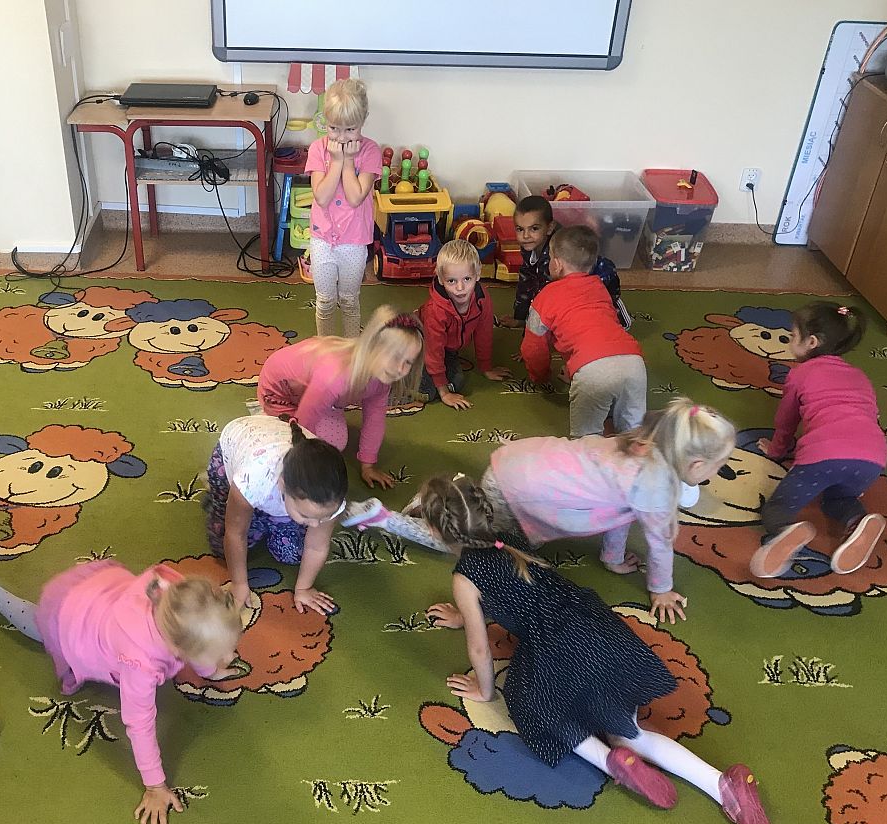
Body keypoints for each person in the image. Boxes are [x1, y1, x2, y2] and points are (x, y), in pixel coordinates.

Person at [414, 475, 770, 824]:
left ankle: (609, 761)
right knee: (629, 731)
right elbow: (509, 587)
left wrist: (484, 690)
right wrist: (465, 613)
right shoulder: (509, 537)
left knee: (532, 702)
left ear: (436, 533)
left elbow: (480, 649)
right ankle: (720, 783)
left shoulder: (465, 577)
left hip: (553, 649)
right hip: (595, 629)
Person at [345, 399, 736, 624]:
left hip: (519, 464)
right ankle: (386, 517)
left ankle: (447, 497)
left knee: (480, 514)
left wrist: (613, 557)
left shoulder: (641, 443)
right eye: (719, 464)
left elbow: (621, 510)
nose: (719, 471)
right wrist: (661, 589)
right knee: (466, 544)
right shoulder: (655, 487)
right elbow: (660, 542)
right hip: (521, 494)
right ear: (696, 465)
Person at [0, 560, 242, 824]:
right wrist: (155, 786)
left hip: (102, 591)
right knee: (38, 624)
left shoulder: (180, 600)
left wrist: (210, 668)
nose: (230, 656)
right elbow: (139, 724)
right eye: (222, 652)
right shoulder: (140, 665)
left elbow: (191, 644)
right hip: (72, 618)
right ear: (177, 650)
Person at [751, 303, 887, 578]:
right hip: (873, 457)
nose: (789, 341)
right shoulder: (860, 375)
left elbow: (786, 420)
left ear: (812, 342)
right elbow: (872, 416)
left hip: (824, 456)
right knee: (838, 499)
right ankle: (857, 520)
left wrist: (776, 450)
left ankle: (787, 530)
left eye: (792, 336)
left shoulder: (800, 373)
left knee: (776, 508)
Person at [256, 304, 423, 489]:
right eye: (395, 357)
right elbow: (305, 423)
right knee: (320, 447)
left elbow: (375, 418)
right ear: (372, 346)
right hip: (279, 394)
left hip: (311, 393)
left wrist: (368, 466)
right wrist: (302, 468)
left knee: (337, 440)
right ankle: (269, 423)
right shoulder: (335, 376)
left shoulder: (383, 375)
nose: (400, 369)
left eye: (408, 362)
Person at [205, 414, 349, 615]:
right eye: (306, 515)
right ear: (282, 485)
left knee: (292, 553)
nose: (315, 525)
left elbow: (317, 546)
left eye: (322, 517)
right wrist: (239, 584)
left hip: (272, 489)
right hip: (236, 445)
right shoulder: (253, 478)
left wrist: (303, 588)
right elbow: (235, 534)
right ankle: (223, 498)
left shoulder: (331, 496)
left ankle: (267, 513)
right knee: (222, 544)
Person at [520, 225, 647, 438]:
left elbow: (533, 347)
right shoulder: (599, 287)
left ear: (557, 264)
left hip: (592, 371)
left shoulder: (545, 297)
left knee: (586, 441)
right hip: (634, 363)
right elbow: (597, 329)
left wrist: (539, 375)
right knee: (634, 435)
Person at [305, 78, 382, 337]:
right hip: (322, 239)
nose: (340, 137)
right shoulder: (318, 149)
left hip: (354, 241)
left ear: (363, 121)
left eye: (350, 129)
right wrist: (336, 161)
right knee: (325, 301)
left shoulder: (370, 151)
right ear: (325, 121)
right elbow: (322, 197)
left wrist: (348, 161)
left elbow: (356, 197)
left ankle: (351, 350)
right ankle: (325, 349)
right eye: (334, 128)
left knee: (349, 300)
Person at [499, 195, 629, 329]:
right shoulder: (530, 246)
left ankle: (619, 319)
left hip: (599, 283)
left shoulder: (556, 254)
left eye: (534, 229)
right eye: (520, 229)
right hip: (570, 287)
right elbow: (527, 281)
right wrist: (520, 317)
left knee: (597, 321)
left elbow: (547, 296)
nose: (525, 236)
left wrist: (533, 329)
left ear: (549, 228)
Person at [418, 239, 511, 409]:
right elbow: (433, 350)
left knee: (457, 382)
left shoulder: (482, 299)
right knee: (428, 393)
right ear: (440, 279)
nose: (460, 288)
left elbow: (484, 334)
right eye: (451, 281)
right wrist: (444, 393)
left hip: (448, 349)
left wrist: (486, 367)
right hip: (420, 344)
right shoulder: (435, 311)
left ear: (478, 274)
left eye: (467, 278)